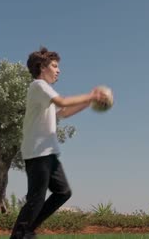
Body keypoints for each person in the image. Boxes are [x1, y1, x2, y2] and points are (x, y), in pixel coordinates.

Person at [10, 47, 107, 239]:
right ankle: (20, 234)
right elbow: (63, 102)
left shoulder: (44, 93)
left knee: (63, 192)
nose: (58, 70)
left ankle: (27, 229)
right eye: (54, 66)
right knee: (36, 198)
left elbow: (63, 112)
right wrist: (92, 96)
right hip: (38, 152)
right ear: (41, 67)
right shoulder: (38, 85)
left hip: (49, 152)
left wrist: (87, 103)